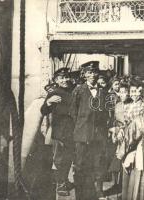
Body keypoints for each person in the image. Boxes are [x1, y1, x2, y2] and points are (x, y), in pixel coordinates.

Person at [70, 62, 109, 200]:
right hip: (82, 135)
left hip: (98, 136)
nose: (92, 75)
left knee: (98, 163)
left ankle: (99, 191)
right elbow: (73, 113)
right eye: (89, 72)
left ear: (97, 74)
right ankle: (80, 193)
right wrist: (81, 129)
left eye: (94, 72)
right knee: (80, 164)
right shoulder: (78, 90)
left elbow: (105, 114)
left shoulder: (103, 92)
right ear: (84, 74)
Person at [40, 68, 75, 196]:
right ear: (56, 80)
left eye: (66, 77)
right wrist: (49, 102)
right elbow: (43, 111)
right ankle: (60, 185)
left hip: (72, 131)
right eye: (61, 78)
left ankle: (64, 180)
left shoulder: (73, 90)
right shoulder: (54, 93)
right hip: (60, 132)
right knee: (60, 159)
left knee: (68, 158)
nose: (65, 80)